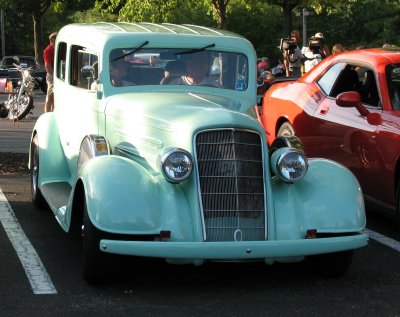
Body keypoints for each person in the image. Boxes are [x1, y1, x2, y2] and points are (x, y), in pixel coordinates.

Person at [43, 32, 57, 112]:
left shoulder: (55, 49)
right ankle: (47, 114)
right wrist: (53, 75)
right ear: (52, 39)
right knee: (50, 96)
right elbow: (47, 65)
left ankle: (52, 113)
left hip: (55, 75)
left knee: (55, 98)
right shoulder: (49, 50)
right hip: (51, 76)